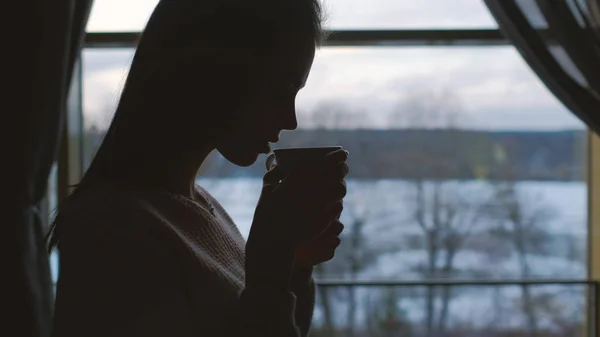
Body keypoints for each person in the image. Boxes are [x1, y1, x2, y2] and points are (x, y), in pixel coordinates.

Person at [49, 0, 349, 336]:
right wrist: (269, 272)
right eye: (281, 89)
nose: (289, 119)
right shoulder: (110, 233)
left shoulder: (198, 208)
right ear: (215, 72)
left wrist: (292, 264)